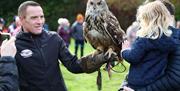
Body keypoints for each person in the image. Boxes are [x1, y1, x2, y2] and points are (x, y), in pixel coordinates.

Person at [15, 1, 113, 91]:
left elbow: (73, 65)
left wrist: (99, 59)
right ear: (21, 20)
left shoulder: (53, 38)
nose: (40, 21)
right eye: (34, 17)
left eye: (41, 16)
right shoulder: (14, 46)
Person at [121, 1, 176, 90]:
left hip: (138, 82)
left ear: (147, 21)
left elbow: (133, 57)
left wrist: (124, 50)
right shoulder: (169, 41)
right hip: (155, 82)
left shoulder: (144, 39)